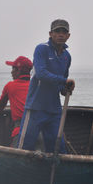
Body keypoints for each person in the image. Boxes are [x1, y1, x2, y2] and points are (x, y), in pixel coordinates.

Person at [18, 19, 75, 153]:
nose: (60, 35)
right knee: (24, 148)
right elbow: (41, 74)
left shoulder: (67, 56)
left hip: (54, 110)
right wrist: (63, 81)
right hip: (35, 107)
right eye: (57, 31)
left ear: (68, 36)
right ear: (50, 33)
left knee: (58, 149)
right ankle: (18, 171)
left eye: (64, 32)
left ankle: (55, 172)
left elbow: (61, 86)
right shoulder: (41, 49)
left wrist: (66, 89)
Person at [0, 56, 33, 147]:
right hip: (40, 128)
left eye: (13, 69)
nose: (11, 72)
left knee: (16, 156)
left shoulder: (10, 86)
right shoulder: (36, 86)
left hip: (21, 129)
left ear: (18, 71)